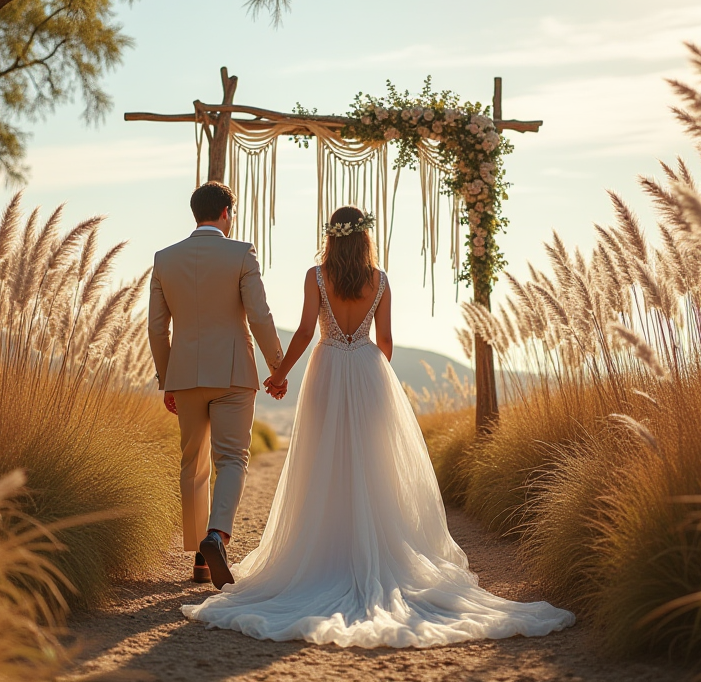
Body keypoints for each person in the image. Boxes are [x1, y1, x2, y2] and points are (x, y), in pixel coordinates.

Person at [181, 205, 575, 648]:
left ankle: (326, 553)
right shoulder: (380, 280)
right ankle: (368, 549)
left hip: (327, 368)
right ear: (365, 238)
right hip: (368, 371)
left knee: (322, 461)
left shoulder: (316, 276)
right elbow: (384, 341)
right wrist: (372, 375)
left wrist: (280, 373)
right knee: (370, 463)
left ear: (331, 237)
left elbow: (306, 331)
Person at [148, 181, 286, 587]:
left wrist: (167, 378)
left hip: (185, 376)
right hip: (232, 374)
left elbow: (157, 328)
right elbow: (259, 316)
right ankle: (217, 535)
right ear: (227, 212)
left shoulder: (164, 259)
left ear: (196, 213)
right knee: (232, 459)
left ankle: (200, 560)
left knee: (193, 464)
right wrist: (277, 367)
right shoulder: (241, 252)